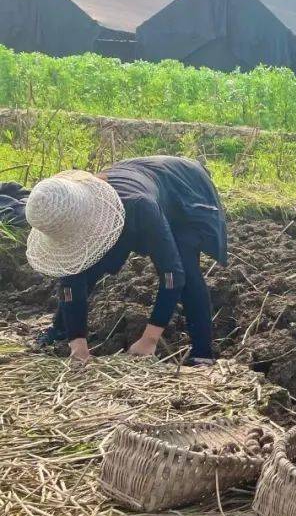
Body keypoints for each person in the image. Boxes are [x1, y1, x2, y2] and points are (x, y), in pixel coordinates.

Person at [25, 156, 228, 364]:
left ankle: (202, 352)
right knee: (87, 263)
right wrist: (78, 345)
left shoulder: (140, 207)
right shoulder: (69, 214)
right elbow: (71, 277)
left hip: (182, 190)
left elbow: (172, 276)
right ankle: (61, 330)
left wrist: (150, 339)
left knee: (186, 266)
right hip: (139, 181)